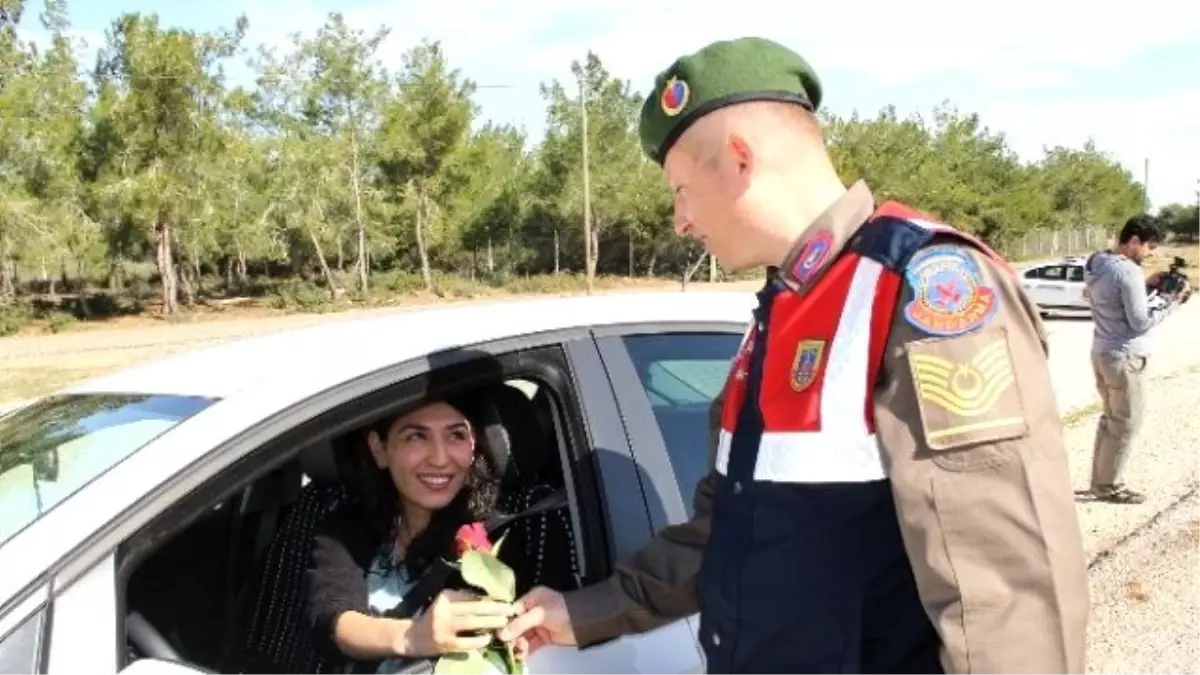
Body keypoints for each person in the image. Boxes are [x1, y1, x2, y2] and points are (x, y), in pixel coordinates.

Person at [500, 37, 1090, 675]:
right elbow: (726, 531)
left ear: (738, 158)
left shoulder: (918, 288)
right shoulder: (781, 311)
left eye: (680, 190)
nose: (680, 220)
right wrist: (588, 611)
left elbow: (1004, 594)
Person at [304, 395, 529, 675]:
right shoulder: (347, 528)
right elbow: (334, 618)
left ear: (473, 447)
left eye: (456, 435)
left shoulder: (500, 537)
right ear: (379, 449)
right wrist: (414, 635)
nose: (439, 458)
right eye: (416, 437)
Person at [1083, 215, 1190, 504]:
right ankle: (1109, 486)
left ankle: (1100, 481)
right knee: (1126, 423)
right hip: (1127, 357)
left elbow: (1110, 299)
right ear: (1133, 241)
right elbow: (1139, 322)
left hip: (1102, 351)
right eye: (1149, 246)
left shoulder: (1096, 262)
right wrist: (1172, 301)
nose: (1151, 252)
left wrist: (1147, 286)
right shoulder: (1127, 271)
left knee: (1110, 420)